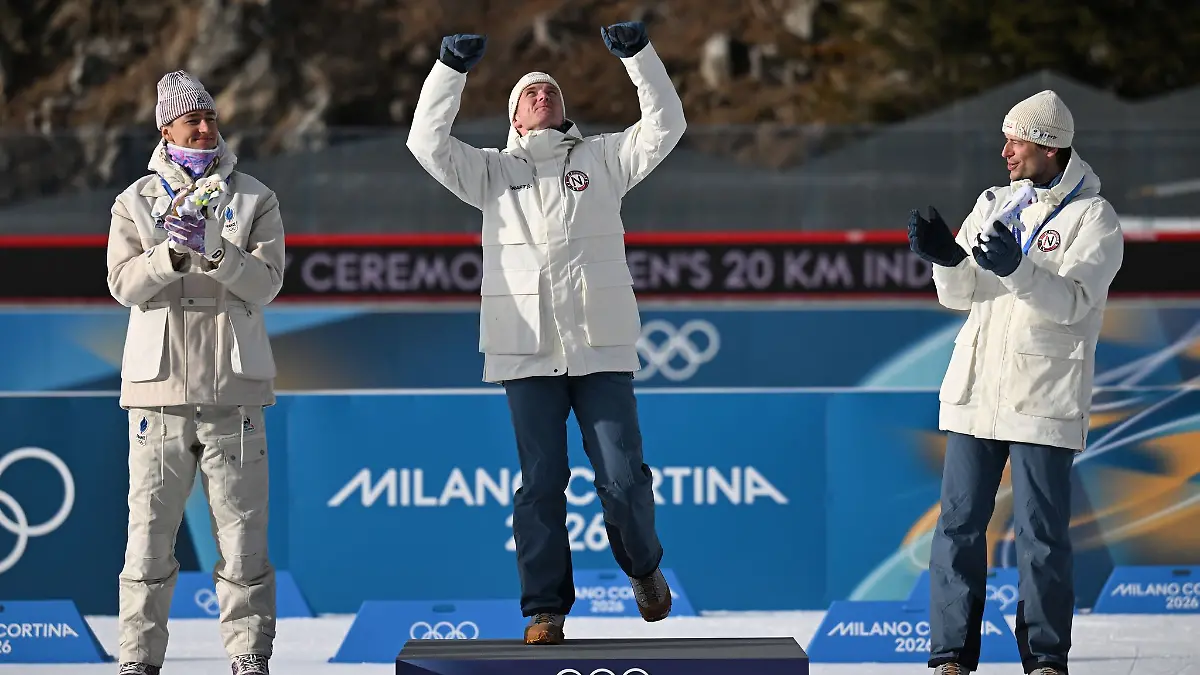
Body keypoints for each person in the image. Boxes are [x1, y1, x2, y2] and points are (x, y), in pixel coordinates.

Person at [406, 21, 686, 645]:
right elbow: (425, 141)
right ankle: (545, 610)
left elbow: (667, 125)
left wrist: (639, 57)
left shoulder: (605, 159)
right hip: (525, 351)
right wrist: (450, 69)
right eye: (529, 93)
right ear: (514, 117)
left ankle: (643, 568)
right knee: (540, 485)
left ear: (565, 110)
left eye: (550, 90)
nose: (542, 95)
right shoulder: (488, 173)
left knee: (621, 476)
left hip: (600, 345)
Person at [907, 89, 1123, 675]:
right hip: (977, 393)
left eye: (1016, 140)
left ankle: (1045, 657)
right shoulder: (996, 203)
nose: (1005, 151)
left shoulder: (1093, 218)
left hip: (1043, 399)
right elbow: (964, 296)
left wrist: (1017, 269)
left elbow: (1074, 304)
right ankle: (950, 655)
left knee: (1042, 536)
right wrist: (946, 260)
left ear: (1050, 146)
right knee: (956, 527)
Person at [106, 70, 285, 675]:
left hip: (234, 391)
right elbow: (122, 284)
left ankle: (249, 657)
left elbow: (266, 285)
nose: (206, 128)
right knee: (149, 540)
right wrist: (172, 254)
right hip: (158, 395)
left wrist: (214, 250)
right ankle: (137, 660)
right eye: (192, 119)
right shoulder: (134, 201)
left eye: (210, 117)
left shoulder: (255, 198)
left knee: (243, 539)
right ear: (166, 129)